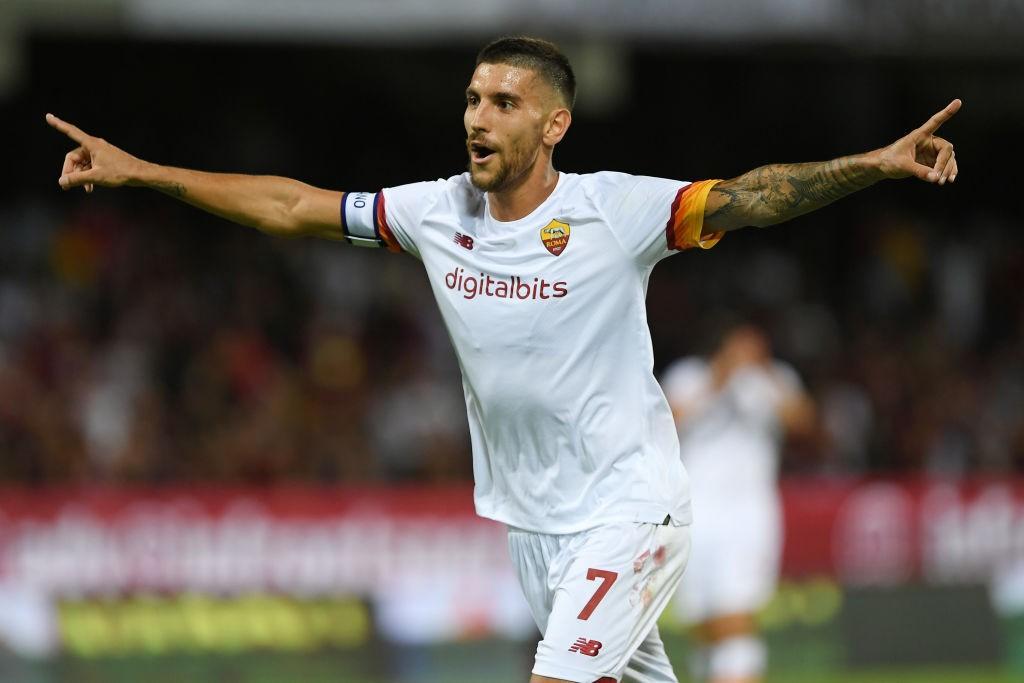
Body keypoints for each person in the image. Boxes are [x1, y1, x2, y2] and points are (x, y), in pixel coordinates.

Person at [47, 36, 959, 683]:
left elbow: (758, 197)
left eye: (504, 103)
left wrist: (876, 163)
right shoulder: (436, 211)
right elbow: (291, 206)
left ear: (555, 124)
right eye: (474, 99)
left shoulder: (617, 210)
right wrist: (144, 172)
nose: (478, 118)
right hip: (534, 527)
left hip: (629, 510)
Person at [662, 323, 815, 683]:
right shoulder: (689, 375)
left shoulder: (774, 378)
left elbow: (803, 423)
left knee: (736, 612)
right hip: (694, 509)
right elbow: (669, 421)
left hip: (748, 511)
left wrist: (763, 373)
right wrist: (720, 377)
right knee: (702, 622)